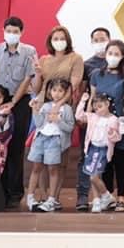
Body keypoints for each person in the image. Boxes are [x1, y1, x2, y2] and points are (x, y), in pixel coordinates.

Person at [0, 16, 36, 208]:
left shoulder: (29, 51)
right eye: (8, 31)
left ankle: (15, 193)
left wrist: (13, 102)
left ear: (21, 33)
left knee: (16, 147)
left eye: (15, 31)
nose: (11, 34)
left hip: (19, 102)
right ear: (3, 31)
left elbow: (28, 79)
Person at [90, 39, 124, 210]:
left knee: (119, 160)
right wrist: (89, 117)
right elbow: (92, 98)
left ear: (122, 57)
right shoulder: (96, 74)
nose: (113, 56)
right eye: (110, 53)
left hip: (119, 123)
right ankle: (107, 196)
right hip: (100, 124)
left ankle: (120, 198)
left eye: (116, 54)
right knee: (104, 161)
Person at [26, 78, 74, 212]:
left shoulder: (67, 109)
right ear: (49, 91)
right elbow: (39, 123)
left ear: (65, 93)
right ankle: (30, 197)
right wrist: (35, 110)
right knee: (36, 167)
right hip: (41, 138)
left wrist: (58, 120)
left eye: (60, 91)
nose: (57, 93)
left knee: (53, 169)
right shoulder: (46, 106)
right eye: (54, 90)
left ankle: (51, 199)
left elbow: (70, 128)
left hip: (55, 140)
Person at [76, 26, 111, 210]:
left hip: (111, 117)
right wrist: (83, 113)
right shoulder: (87, 64)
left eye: (102, 39)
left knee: (108, 156)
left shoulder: (120, 62)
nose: (100, 43)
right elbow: (83, 91)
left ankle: (107, 196)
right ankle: (83, 196)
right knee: (86, 156)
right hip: (92, 118)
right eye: (96, 40)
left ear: (109, 40)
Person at [75, 92, 122, 213]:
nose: (98, 110)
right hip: (92, 148)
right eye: (95, 108)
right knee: (92, 175)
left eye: (100, 107)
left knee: (94, 176)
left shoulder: (114, 119)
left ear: (107, 104)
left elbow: (117, 137)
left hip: (103, 150)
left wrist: (112, 134)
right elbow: (79, 116)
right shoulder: (93, 117)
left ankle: (106, 196)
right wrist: (83, 101)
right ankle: (97, 199)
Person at [31, 26, 84, 101]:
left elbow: (73, 86)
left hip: (63, 103)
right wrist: (37, 74)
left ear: (67, 40)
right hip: (42, 102)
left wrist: (58, 105)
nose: (59, 41)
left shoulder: (76, 58)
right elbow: (36, 90)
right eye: (55, 39)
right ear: (50, 41)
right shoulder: (43, 59)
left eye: (62, 39)